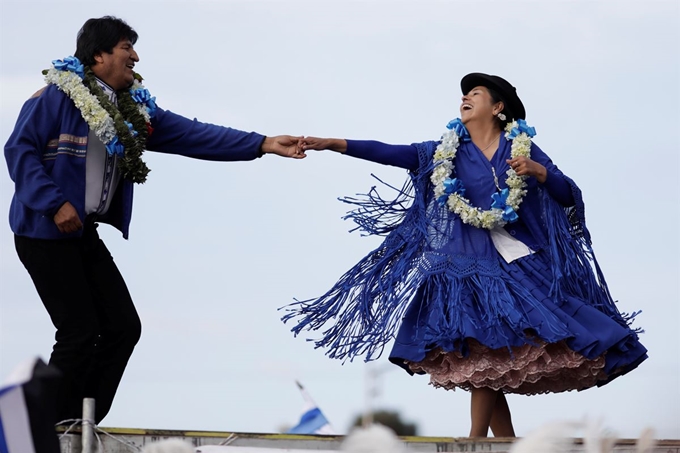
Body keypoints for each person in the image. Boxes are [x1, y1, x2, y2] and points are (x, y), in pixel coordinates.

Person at [283, 73, 648, 437]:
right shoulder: (445, 152)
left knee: (489, 355)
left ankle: (482, 442)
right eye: (463, 94)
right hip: (465, 271)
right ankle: (497, 442)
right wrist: (334, 143)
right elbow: (392, 152)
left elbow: (568, 196)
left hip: (519, 266)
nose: (464, 98)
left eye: (474, 93)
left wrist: (539, 173)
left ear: (498, 106)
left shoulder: (522, 148)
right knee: (483, 353)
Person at [4, 16, 305, 424]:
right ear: (98, 55)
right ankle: (42, 429)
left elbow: (193, 135)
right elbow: (18, 151)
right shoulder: (55, 96)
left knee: (123, 327)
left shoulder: (132, 109)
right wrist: (55, 203)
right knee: (78, 331)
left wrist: (263, 144)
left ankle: (79, 421)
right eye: (127, 47)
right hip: (42, 231)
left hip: (81, 234)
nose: (136, 56)